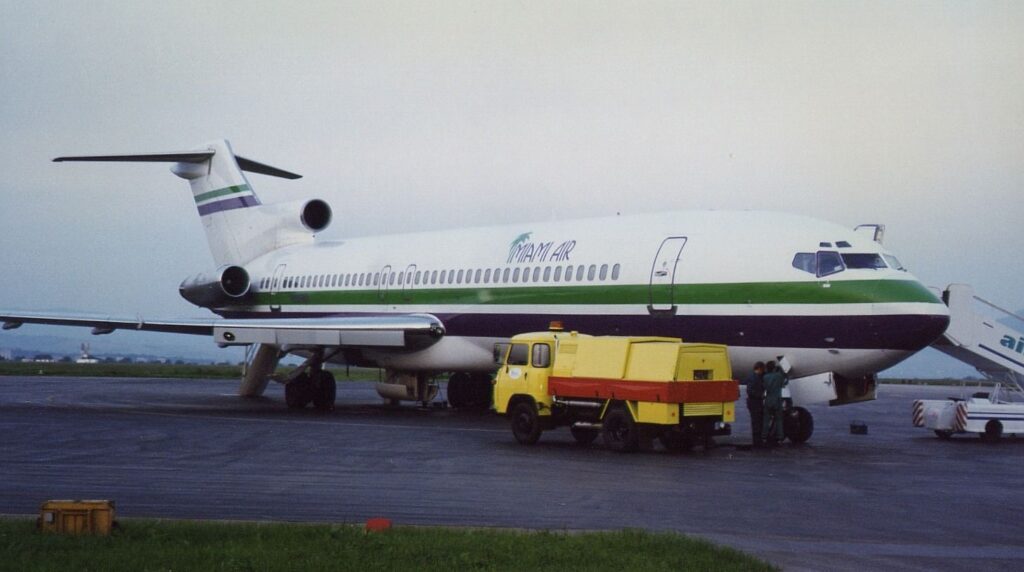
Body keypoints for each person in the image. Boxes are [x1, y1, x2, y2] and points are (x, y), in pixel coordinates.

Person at [762, 360, 787, 446]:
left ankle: (764, 437)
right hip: (777, 400)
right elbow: (785, 380)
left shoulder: (765, 377)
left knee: (766, 420)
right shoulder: (778, 376)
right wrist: (780, 368)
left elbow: (764, 386)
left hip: (768, 400)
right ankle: (780, 438)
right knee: (779, 420)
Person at [744, 361, 765, 447]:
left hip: (754, 402)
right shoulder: (753, 377)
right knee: (756, 422)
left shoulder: (753, 376)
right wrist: (760, 395)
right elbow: (750, 390)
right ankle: (757, 442)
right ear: (759, 369)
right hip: (754, 402)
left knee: (757, 422)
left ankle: (758, 441)